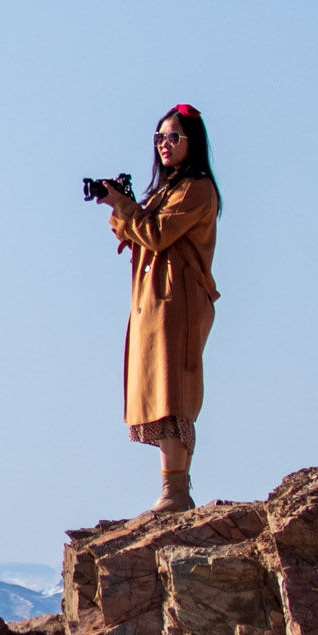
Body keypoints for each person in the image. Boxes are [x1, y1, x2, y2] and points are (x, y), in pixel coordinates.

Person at [99, 105, 220, 516]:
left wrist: (127, 210)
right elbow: (136, 233)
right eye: (159, 138)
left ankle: (177, 491)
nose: (164, 145)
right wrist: (123, 207)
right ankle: (171, 487)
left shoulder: (197, 189)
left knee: (174, 392)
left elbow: (154, 232)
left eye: (173, 138)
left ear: (193, 143)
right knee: (157, 389)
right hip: (156, 300)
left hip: (178, 299)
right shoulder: (167, 190)